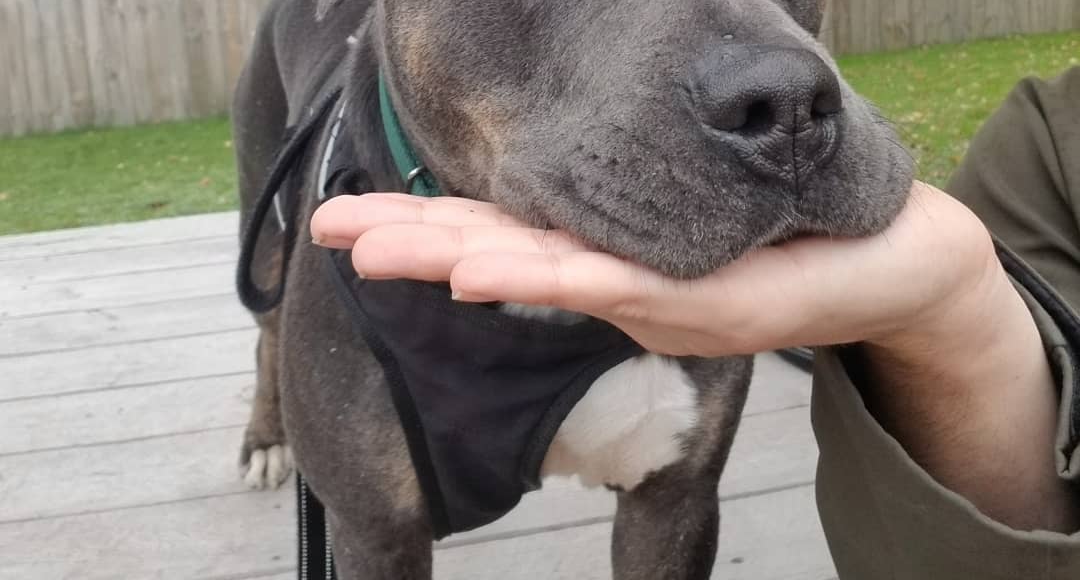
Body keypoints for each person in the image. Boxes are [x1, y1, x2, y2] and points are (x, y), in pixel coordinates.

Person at [311, 67, 1080, 578]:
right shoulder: (1048, 142)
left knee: (675, 497)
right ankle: (269, 402)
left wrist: (953, 307)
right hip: (384, 244)